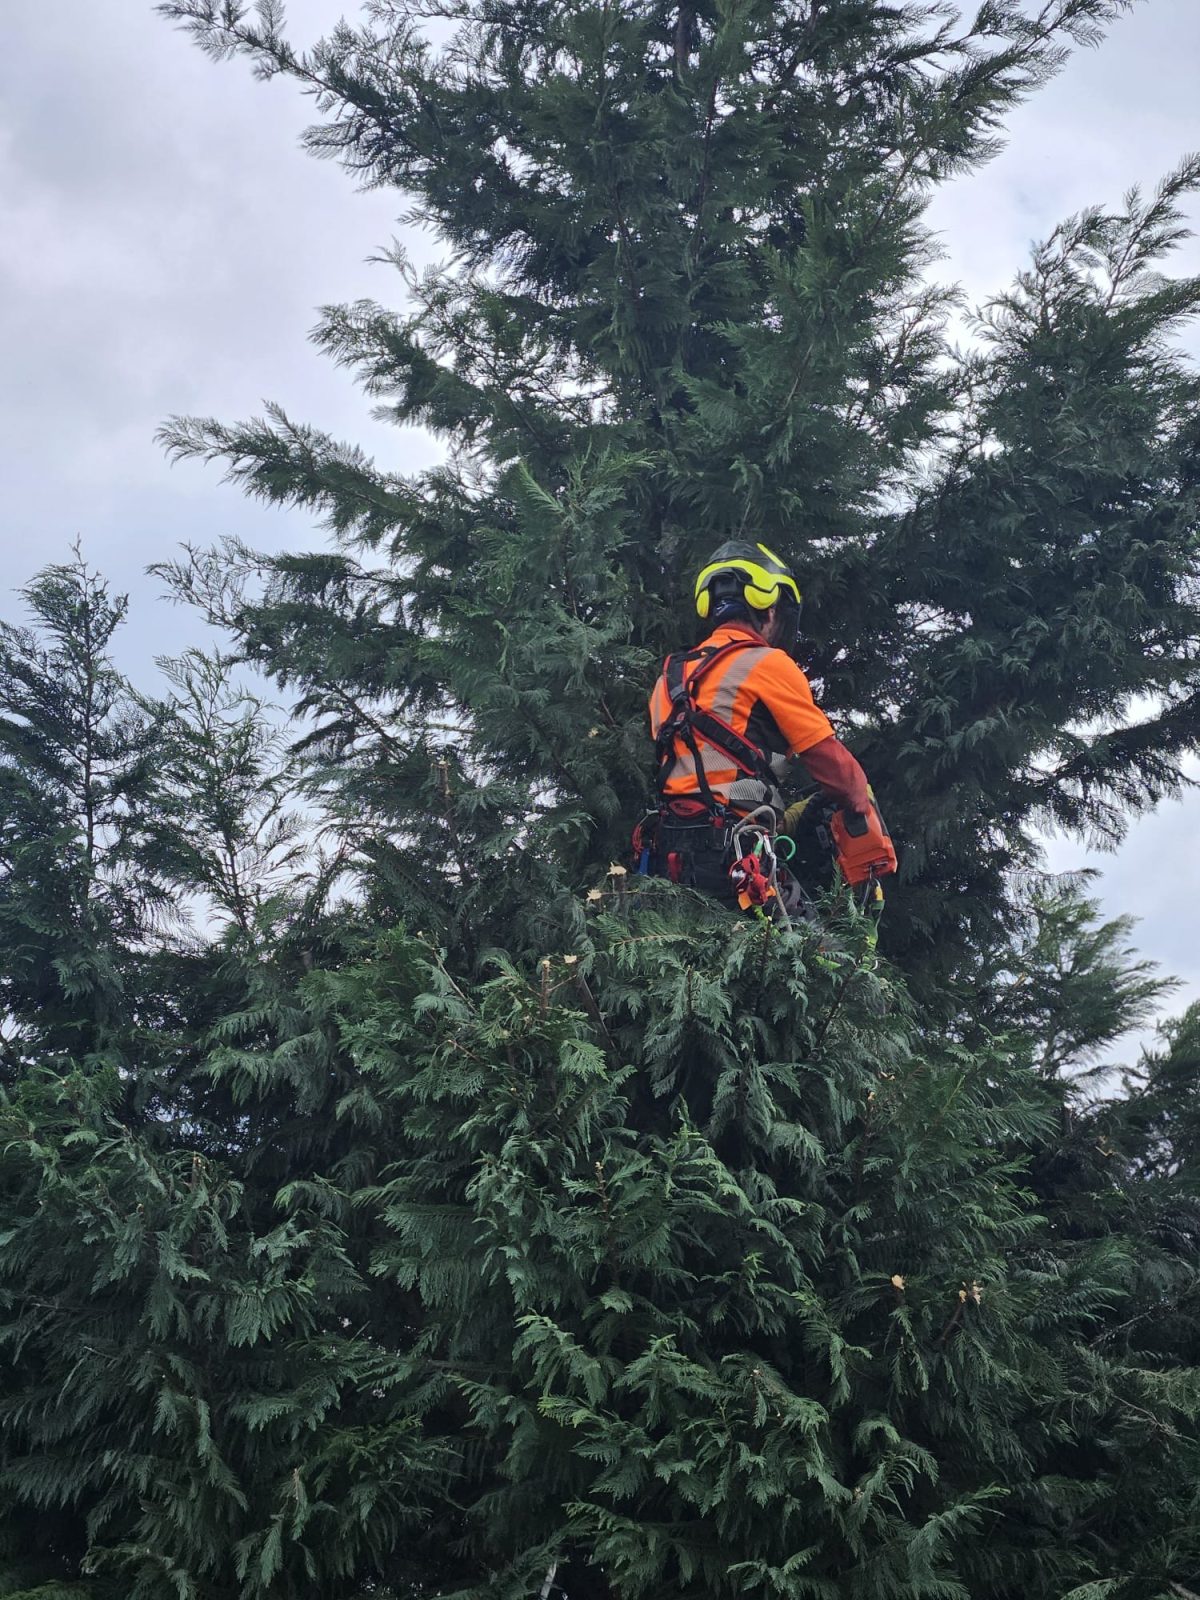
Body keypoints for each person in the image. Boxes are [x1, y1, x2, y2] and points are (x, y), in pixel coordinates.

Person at [645, 540, 896, 909]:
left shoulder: (671, 678)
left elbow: (708, 779)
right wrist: (859, 801)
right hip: (733, 858)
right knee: (817, 958)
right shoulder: (766, 662)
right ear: (767, 605)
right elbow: (836, 770)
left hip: (669, 856)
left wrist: (791, 816)